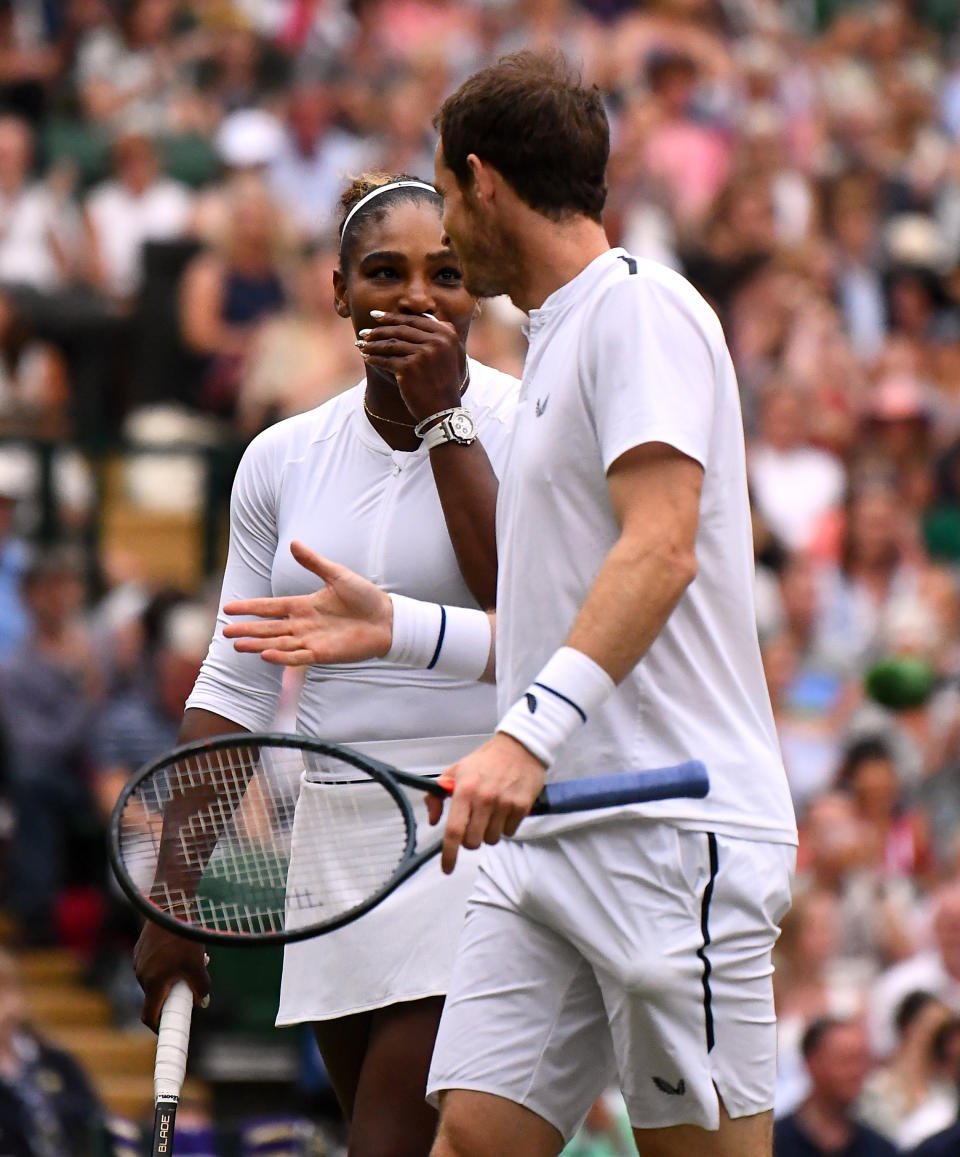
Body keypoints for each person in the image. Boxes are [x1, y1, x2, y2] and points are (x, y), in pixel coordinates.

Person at [223, 51, 797, 1157]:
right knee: (473, 1143)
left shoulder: (640, 311)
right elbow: (547, 609)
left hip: (668, 837)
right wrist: (404, 627)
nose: (441, 222)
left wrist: (525, 740)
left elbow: (662, 548)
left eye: (441, 189)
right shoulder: (551, 343)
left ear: (480, 181)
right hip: (540, 851)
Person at [133, 172, 519, 1157]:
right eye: (385, 273)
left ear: (479, 289)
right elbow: (234, 682)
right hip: (339, 847)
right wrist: (176, 899)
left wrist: (445, 414)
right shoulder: (280, 457)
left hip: (488, 830)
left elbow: (521, 612)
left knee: (389, 1143)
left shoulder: (535, 424)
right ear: (337, 292)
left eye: (446, 273)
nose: (417, 296)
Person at [773, 1017, 899, 1157]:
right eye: (846, 1061)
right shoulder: (772, 1144)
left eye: (862, 1061)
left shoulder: (880, 1150)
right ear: (811, 1063)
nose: (856, 1072)